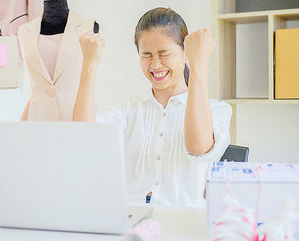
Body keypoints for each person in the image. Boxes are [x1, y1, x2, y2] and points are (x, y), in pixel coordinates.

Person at [73, 7, 232, 206]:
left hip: (185, 228)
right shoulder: (130, 110)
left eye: (164, 54)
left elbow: (198, 147)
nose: (155, 65)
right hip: (133, 226)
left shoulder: (218, 111)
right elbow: (82, 133)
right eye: (146, 55)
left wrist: (198, 62)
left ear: (185, 53)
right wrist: (89, 64)